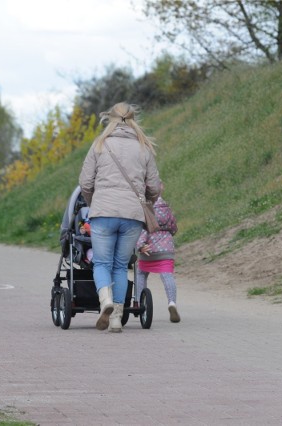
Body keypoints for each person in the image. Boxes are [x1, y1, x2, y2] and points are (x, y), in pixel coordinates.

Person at [79, 102, 161, 332]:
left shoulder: (99, 145)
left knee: (102, 263)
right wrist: (147, 201)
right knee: (120, 265)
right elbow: (154, 186)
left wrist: (93, 202)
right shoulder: (144, 148)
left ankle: (104, 301)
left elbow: (85, 182)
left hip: (103, 212)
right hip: (132, 215)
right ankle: (116, 319)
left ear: (110, 119)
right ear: (134, 120)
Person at [135, 183, 180, 323]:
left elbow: (142, 228)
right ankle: (172, 302)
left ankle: (138, 301)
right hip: (166, 248)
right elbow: (173, 227)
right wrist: (167, 235)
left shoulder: (144, 206)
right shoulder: (166, 207)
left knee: (140, 273)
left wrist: (140, 245)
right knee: (167, 276)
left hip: (148, 249)